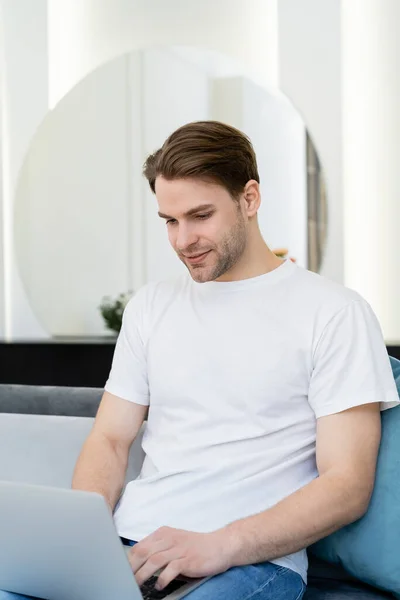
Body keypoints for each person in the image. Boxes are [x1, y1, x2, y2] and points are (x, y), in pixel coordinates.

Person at [3, 121, 398, 600]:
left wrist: (221, 546)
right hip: (133, 547)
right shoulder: (151, 307)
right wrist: (84, 544)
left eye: (200, 215)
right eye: (170, 220)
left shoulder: (335, 313)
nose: (182, 240)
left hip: (246, 562)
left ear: (249, 199)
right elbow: (110, 438)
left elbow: (347, 484)